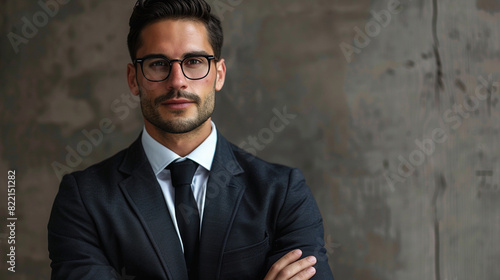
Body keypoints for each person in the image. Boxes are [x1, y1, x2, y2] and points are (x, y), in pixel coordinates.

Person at [47, 0, 334, 279]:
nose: (177, 81)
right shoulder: (84, 198)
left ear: (218, 75)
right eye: (158, 64)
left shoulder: (282, 192)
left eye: (194, 61)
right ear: (133, 78)